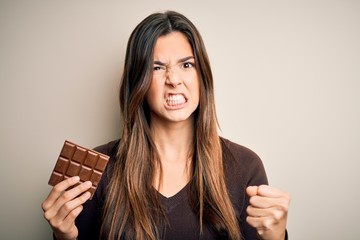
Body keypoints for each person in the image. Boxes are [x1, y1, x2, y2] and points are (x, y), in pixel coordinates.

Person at [41, 10, 291, 240]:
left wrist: (277, 237)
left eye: (186, 65)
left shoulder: (245, 167)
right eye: (157, 68)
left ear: (202, 75)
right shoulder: (97, 169)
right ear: (138, 81)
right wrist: (64, 238)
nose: (174, 80)